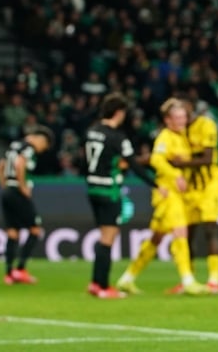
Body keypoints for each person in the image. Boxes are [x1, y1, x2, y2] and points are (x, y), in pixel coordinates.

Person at [116, 98, 208, 295]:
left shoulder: (183, 137)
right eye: (177, 117)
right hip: (168, 194)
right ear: (168, 120)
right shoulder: (165, 137)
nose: (182, 120)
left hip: (177, 195)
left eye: (183, 116)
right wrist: (175, 176)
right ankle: (187, 280)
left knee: (156, 239)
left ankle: (127, 278)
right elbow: (156, 159)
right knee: (180, 232)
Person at [84, 92, 164, 299]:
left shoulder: (92, 131)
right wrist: (155, 185)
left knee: (103, 236)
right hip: (109, 189)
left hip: (92, 187)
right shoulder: (117, 137)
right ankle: (102, 286)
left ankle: (95, 283)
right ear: (119, 113)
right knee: (108, 239)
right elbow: (134, 166)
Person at [167, 99, 218, 295]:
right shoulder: (178, 131)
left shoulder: (206, 125)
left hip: (209, 185)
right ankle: (188, 279)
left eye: (182, 112)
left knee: (210, 229)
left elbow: (207, 158)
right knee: (187, 234)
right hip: (189, 187)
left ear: (189, 109)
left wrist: (181, 163)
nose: (180, 117)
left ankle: (214, 280)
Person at [0, 126, 54, 285]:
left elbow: (0, 166)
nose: (42, 150)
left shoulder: (14, 146)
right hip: (17, 191)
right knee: (35, 230)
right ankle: (20, 269)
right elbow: (20, 164)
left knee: (13, 232)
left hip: (7, 191)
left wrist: (4, 186)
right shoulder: (28, 148)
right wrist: (23, 187)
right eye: (44, 146)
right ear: (40, 139)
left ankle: (9, 273)